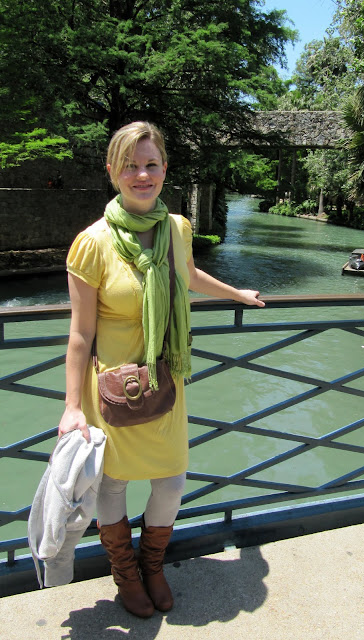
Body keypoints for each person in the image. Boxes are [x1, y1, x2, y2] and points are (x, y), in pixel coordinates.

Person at [58, 121, 264, 618]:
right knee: (113, 484)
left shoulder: (176, 228)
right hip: (114, 388)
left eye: (151, 164)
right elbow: (80, 334)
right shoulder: (92, 243)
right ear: (113, 171)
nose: (142, 175)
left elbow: (187, 275)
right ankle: (125, 572)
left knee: (170, 481)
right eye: (130, 165)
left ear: (165, 169)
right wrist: (71, 407)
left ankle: (153, 564)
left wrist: (237, 294)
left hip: (165, 379)